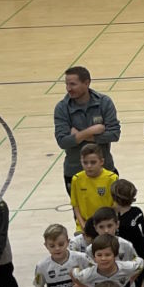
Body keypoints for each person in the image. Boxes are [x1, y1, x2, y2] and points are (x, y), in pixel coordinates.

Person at [53, 66, 120, 196]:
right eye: (66, 84)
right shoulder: (62, 108)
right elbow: (63, 142)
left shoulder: (104, 102)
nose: (68, 88)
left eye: (73, 84)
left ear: (87, 83)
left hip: (105, 171)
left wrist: (78, 136)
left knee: (110, 208)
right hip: (75, 173)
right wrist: (91, 131)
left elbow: (114, 134)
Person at [69, 144, 118, 235]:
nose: (89, 166)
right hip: (84, 225)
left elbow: (115, 206)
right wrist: (85, 227)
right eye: (85, 162)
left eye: (93, 162)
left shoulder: (112, 178)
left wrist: (104, 227)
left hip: (105, 226)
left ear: (101, 161)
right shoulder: (76, 179)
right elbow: (76, 206)